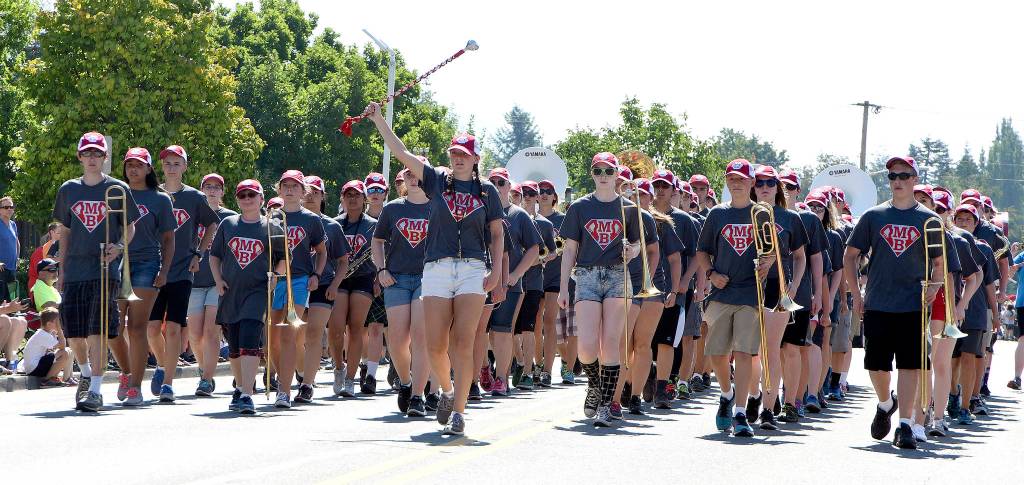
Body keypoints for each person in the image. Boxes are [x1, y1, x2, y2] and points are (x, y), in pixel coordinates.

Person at [369, 102, 504, 436]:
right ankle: (445, 389)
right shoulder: (436, 180)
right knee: (433, 345)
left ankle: (459, 411)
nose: (458, 159)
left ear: (475, 159)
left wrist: (497, 271)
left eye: (464, 154)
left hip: (473, 268)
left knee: (462, 340)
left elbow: (498, 234)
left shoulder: (487, 191)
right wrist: (377, 120)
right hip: (437, 268)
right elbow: (400, 151)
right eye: (454, 153)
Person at [844, 156, 943, 449]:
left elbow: (939, 262)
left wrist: (935, 287)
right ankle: (886, 403)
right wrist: (856, 293)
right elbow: (850, 256)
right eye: (892, 176)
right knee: (876, 365)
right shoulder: (874, 216)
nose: (897, 181)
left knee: (911, 365)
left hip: (913, 303)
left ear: (914, 178)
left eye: (903, 175)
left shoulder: (929, 220)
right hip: (878, 301)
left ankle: (905, 426)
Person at [54, 131, 141, 412]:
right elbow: (65, 231)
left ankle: (94, 390)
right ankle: (86, 372)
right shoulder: (68, 189)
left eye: (97, 154)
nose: (92, 158)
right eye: (87, 153)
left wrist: (117, 247)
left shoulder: (118, 188)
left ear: (105, 158)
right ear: (80, 157)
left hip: (105, 269)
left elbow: (130, 228)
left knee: (98, 330)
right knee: (75, 333)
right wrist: (62, 268)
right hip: (76, 267)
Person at [558, 152, 641, 427]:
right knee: (586, 347)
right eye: (598, 171)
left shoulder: (629, 207)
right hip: (587, 275)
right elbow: (569, 249)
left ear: (617, 174)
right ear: (592, 174)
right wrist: (562, 288)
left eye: (608, 171)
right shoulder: (579, 207)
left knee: (610, 344)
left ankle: (606, 404)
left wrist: (632, 251)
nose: (603, 176)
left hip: (618, 275)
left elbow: (639, 244)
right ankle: (594, 385)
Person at [694, 159, 770, 438]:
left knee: (743, 353)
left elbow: (771, 251)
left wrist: (768, 263)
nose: (736, 182)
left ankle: (740, 413)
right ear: (726, 182)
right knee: (716, 353)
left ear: (751, 182)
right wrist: (711, 274)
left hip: (750, 292)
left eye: (742, 178)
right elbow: (702, 252)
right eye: (731, 178)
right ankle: (726, 394)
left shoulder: (761, 213)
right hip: (721, 291)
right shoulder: (717, 214)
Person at [148, 145, 219, 402]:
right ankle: (161, 364)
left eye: (177, 163)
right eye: (167, 162)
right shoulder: (152, 194)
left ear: (185, 167)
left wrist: (199, 253)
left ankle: (167, 383)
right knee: (152, 328)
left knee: (176, 328)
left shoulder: (194, 197)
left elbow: (212, 223)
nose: (172, 167)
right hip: (152, 269)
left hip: (180, 270)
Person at [209, 179, 286, 415]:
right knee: (233, 347)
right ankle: (241, 386)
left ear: (261, 199)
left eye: (251, 195)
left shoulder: (272, 227)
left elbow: (284, 259)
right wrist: (218, 280)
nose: (247, 199)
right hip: (230, 292)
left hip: (257, 291)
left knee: (249, 340)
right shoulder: (228, 224)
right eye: (242, 195)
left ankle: (247, 395)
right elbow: (215, 256)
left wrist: (276, 276)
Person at [746, 165, 808, 429]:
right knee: (750, 352)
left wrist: (793, 286)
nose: (764, 188)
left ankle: (768, 409)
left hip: (777, 288)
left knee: (771, 349)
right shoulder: (743, 214)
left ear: (777, 187)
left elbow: (800, 257)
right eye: (759, 183)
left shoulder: (791, 218)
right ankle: (753, 394)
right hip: (746, 286)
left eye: (770, 183)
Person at [114, 147, 176, 406]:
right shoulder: (114, 193)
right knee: (112, 328)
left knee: (136, 328)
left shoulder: (160, 199)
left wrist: (164, 271)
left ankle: (136, 387)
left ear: (149, 168)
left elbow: (169, 239)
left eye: (139, 165)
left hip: (147, 264)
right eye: (129, 164)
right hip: (116, 262)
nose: (133, 169)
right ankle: (127, 372)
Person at [372, 167, 432, 416]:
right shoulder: (393, 208)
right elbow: (377, 241)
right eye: (409, 175)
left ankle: (418, 396)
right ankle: (406, 383)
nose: (414, 179)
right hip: (396, 278)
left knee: (420, 336)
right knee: (397, 340)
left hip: (428, 278)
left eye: (418, 174)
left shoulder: (438, 206)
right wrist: (381, 269)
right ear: (403, 180)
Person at [623, 176, 682, 414]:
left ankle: (635, 395)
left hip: (652, 289)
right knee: (623, 343)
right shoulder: (621, 219)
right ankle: (625, 384)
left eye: (643, 195)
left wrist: (675, 290)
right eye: (633, 195)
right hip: (623, 287)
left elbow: (674, 259)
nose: (637, 199)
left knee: (643, 343)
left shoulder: (660, 223)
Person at [268, 170, 327, 408]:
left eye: (295, 186)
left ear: (303, 192)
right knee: (272, 339)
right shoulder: (271, 216)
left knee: (289, 335)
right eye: (286, 186)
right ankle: (284, 376)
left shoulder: (311, 220)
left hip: (299, 281)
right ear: (279, 190)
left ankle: (284, 391)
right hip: (275, 281)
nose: (290, 190)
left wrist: (317, 274)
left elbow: (322, 252)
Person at [487, 167, 541, 395]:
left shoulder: (518, 215)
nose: (497, 186)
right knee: (482, 332)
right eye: (493, 182)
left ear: (509, 187)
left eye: (502, 183)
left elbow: (534, 249)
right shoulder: (482, 210)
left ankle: (501, 377)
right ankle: (482, 370)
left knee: (502, 330)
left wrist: (515, 275)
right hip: (480, 280)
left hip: (510, 284)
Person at [299, 175, 349, 402]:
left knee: (313, 333)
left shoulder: (332, 226)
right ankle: (300, 373)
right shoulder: (288, 221)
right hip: (296, 284)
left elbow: (343, 261)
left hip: (324, 284)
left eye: (315, 192)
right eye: (306, 192)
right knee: (295, 334)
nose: (310, 196)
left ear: (323, 196)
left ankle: (307, 385)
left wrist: (336, 285)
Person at [187, 173, 237, 397]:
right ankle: (203, 367)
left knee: (210, 332)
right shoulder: (193, 215)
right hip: (194, 281)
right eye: (208, 186)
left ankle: (207, 379)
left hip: (219, 283)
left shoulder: (230, 218)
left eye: (217, 187)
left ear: (222, 192)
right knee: (195, 335)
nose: (212, 191)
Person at [950, 203, 997, 425]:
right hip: (950, 309)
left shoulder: (984, 249)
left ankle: (966, 406)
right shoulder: (948, 243)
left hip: (976, 311)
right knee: (952, 359)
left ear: (976, 223)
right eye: (959, 219)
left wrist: (995, 314)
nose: (963, 223)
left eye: (968, 219)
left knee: (969, 358)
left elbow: (988, 285)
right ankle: (951, 396)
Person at [332, 180, 376, 398]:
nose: (352, 199)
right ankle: (339, 368)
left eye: (357, 195)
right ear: (342, 198)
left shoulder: (373, 224)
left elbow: (379, 254)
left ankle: (350, 378)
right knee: (337, 328)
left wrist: (378, 279)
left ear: (364, 198)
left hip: (364, 277)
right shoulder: (334, 224)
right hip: (339, 279)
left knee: (356, 327)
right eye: (348, 195)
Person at [518, 180, 556, 390]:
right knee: (510, 330)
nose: (530, 196)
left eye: (533, 193)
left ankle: (529, 372)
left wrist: (539, 259)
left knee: (529, 327)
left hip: (533, 281)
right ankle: (521, 362)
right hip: (512, 282)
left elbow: (553, 251)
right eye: (525, 193)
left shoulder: (545, 224)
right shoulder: (512, 217)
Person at [537, 180, 574, 385]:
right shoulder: (529, 218)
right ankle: (536, 365)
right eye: (539, 191)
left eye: (547, 191)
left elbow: (568, 247)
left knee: (550, 322)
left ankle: (547, 371)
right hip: (533, 276)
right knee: (535, 325)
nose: (543, 194)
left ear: (554, 196)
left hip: (555, 276)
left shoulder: (563, 219)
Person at [362, 172, 389, 393]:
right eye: (371, 190)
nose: (375, 194)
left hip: (393, 278)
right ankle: (370, 374)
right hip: (366, 281)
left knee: (400, 331)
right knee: (373, 328)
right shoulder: (359, 220)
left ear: (386, 192)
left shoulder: (392, 215)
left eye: (379, 190)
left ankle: (399, 370)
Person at [20, 308, 74, 387]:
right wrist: (59, 329)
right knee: (64, 352)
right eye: (57, 322)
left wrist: (57, 331)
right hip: (34, 369)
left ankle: (67, 378)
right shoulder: (43, 334)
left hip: (37, 366)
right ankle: (47, 380)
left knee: (69, 350)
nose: (60, 323)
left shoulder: (48, 333)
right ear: (49, 324)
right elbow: (62, 346)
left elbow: (57, 348)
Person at [27, 222, 61, 290]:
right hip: (39, 288)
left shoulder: (58, 249)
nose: (64, 236)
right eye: (60, 233)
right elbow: (41, 273)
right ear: (52, 233)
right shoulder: (40, 252)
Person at [0, 195, 17, 304]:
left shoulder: (13, 224)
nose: (10, 209)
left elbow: (16, 241)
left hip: (12, 268)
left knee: (12, 300)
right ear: (0, 210)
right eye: (6, 207)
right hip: (1, 269)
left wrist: (17, 258)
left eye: (11, 206)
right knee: (1, 301)